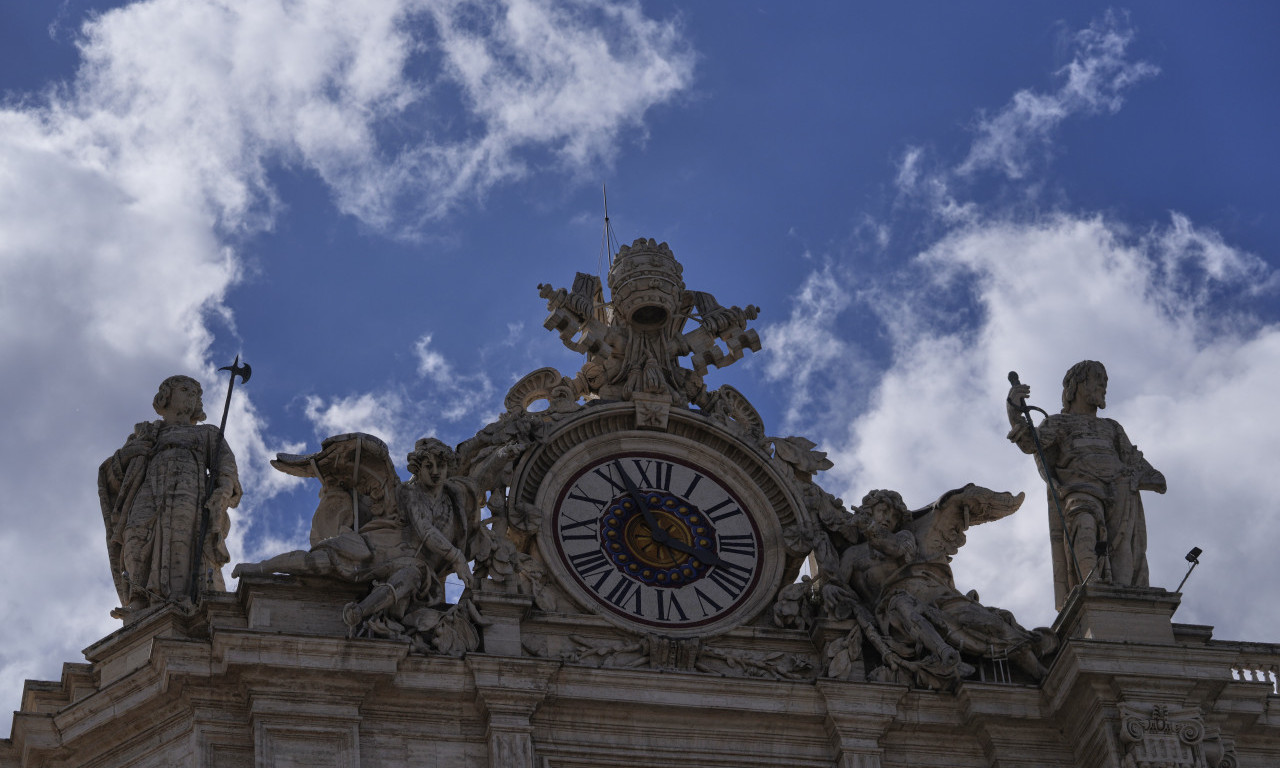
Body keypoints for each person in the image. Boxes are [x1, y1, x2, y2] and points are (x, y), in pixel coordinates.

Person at [1007, 360, 1166, 610]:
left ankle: (1128, 600)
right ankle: (1093, 594)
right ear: (1076, 385)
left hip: (1120, 489)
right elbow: (1031, 443)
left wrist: (1150, 477)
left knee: (1121, 546)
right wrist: (1014, 411)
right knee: (1084, 527)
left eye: (1105, 381)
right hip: (1079, 488)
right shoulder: (1058, 423)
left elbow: (1134, 459)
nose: (1103, 386)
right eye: (1097, 379)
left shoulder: (1111, 427)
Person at [99, 375, 241, 615]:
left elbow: (227, 468)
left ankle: (180, 597)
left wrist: (223, 491)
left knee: (181, 537)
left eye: (195, 393)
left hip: (188, 487)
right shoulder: (146, 433)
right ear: (166, 396)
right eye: (185, 389)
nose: (191, 395)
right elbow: (110, 475)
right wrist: (127, 455)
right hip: (149, 486)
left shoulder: (207, 433)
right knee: (134, 534)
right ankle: (139, 598)